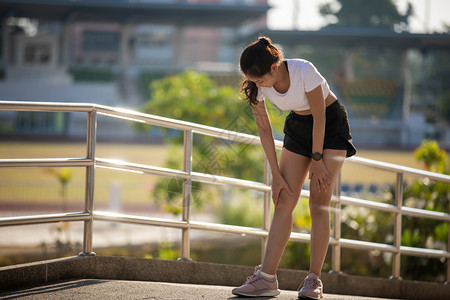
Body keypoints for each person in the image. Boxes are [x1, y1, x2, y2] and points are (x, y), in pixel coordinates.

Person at [232, 36, 356, 299]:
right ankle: (266, 279)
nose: (256, 85)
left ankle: (314, 281)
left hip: (329, 126)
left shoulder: (303, 70)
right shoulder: (256, 86)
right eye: (252, 80)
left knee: (319, 204)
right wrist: (276, 175)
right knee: (284, 198)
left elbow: (320, 115)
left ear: (274, 68)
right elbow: (264, 130)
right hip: (299, 126)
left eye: (260, 80)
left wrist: (318, 159)